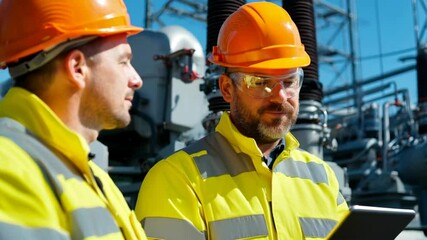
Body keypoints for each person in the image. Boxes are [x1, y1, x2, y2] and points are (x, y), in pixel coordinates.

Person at [135, 2, 349, 239]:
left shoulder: (322, 176)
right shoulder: (176, 179)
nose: (280, 96)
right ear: (227, 89)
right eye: (260, 82)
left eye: (289, 82)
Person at [0, 0, 147, 239]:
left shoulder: (95, 176)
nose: (136, 79)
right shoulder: (9, 169)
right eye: (123, 62)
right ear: (77, 68)